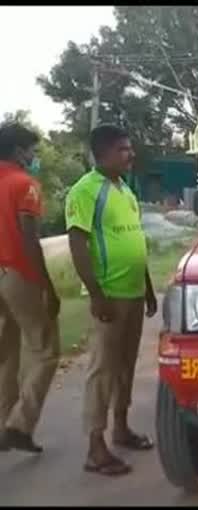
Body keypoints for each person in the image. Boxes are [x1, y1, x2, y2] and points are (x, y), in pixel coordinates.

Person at [65, 125, 158, 476]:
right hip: (110, 295)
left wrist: (148, 287)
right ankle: (95, 446)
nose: (130, 154)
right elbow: (78, 244)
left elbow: (136, 242)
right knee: (102, 370)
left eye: (129, 148)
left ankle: (121, 427)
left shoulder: (125, 191)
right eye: (123, 149)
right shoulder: (85, 191)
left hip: (133, 292)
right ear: (101, 153)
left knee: (125, 367)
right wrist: (97, 294)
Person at [0, 123, 60, 453]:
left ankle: (4, 425)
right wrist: (47, 286)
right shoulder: (25, 185)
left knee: (6, 352)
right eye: (31, 150)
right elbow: (29, 239)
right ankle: (20, 424)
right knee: (46, 349)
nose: (33, 156)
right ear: (18, 150)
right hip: (17, 273)